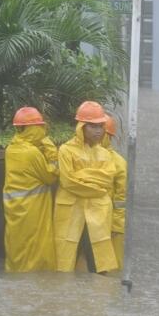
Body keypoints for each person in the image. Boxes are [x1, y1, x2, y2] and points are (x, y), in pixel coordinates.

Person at [53, 101, 117, 273]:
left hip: (97, 212)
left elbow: (107, 180)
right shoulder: (66, 150)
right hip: (71, 211)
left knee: (98, 262)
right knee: (67, 259)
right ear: (81, 126)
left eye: (101, 126)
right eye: (93, 126)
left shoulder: (105, 154)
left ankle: (99, 296)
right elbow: (68, 181)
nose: (98, 131)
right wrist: (95, 182)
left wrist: (81, 176)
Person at [3, 107, 59, 272]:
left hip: (14, 209)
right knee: (35, 247)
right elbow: (51, 176)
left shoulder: (11, 149)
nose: (42, 131)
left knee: (17, 245)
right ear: (33, 129)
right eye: (40, 127)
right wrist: (51, 152)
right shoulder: (31, 153)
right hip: (33, 210)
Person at [101, 115, 127, 269]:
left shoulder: (118, 163)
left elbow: (121, 199)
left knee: (111, 266)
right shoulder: (82, 156)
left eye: (101, 130)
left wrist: (117, 226)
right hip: (91, 220)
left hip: (111, 223)